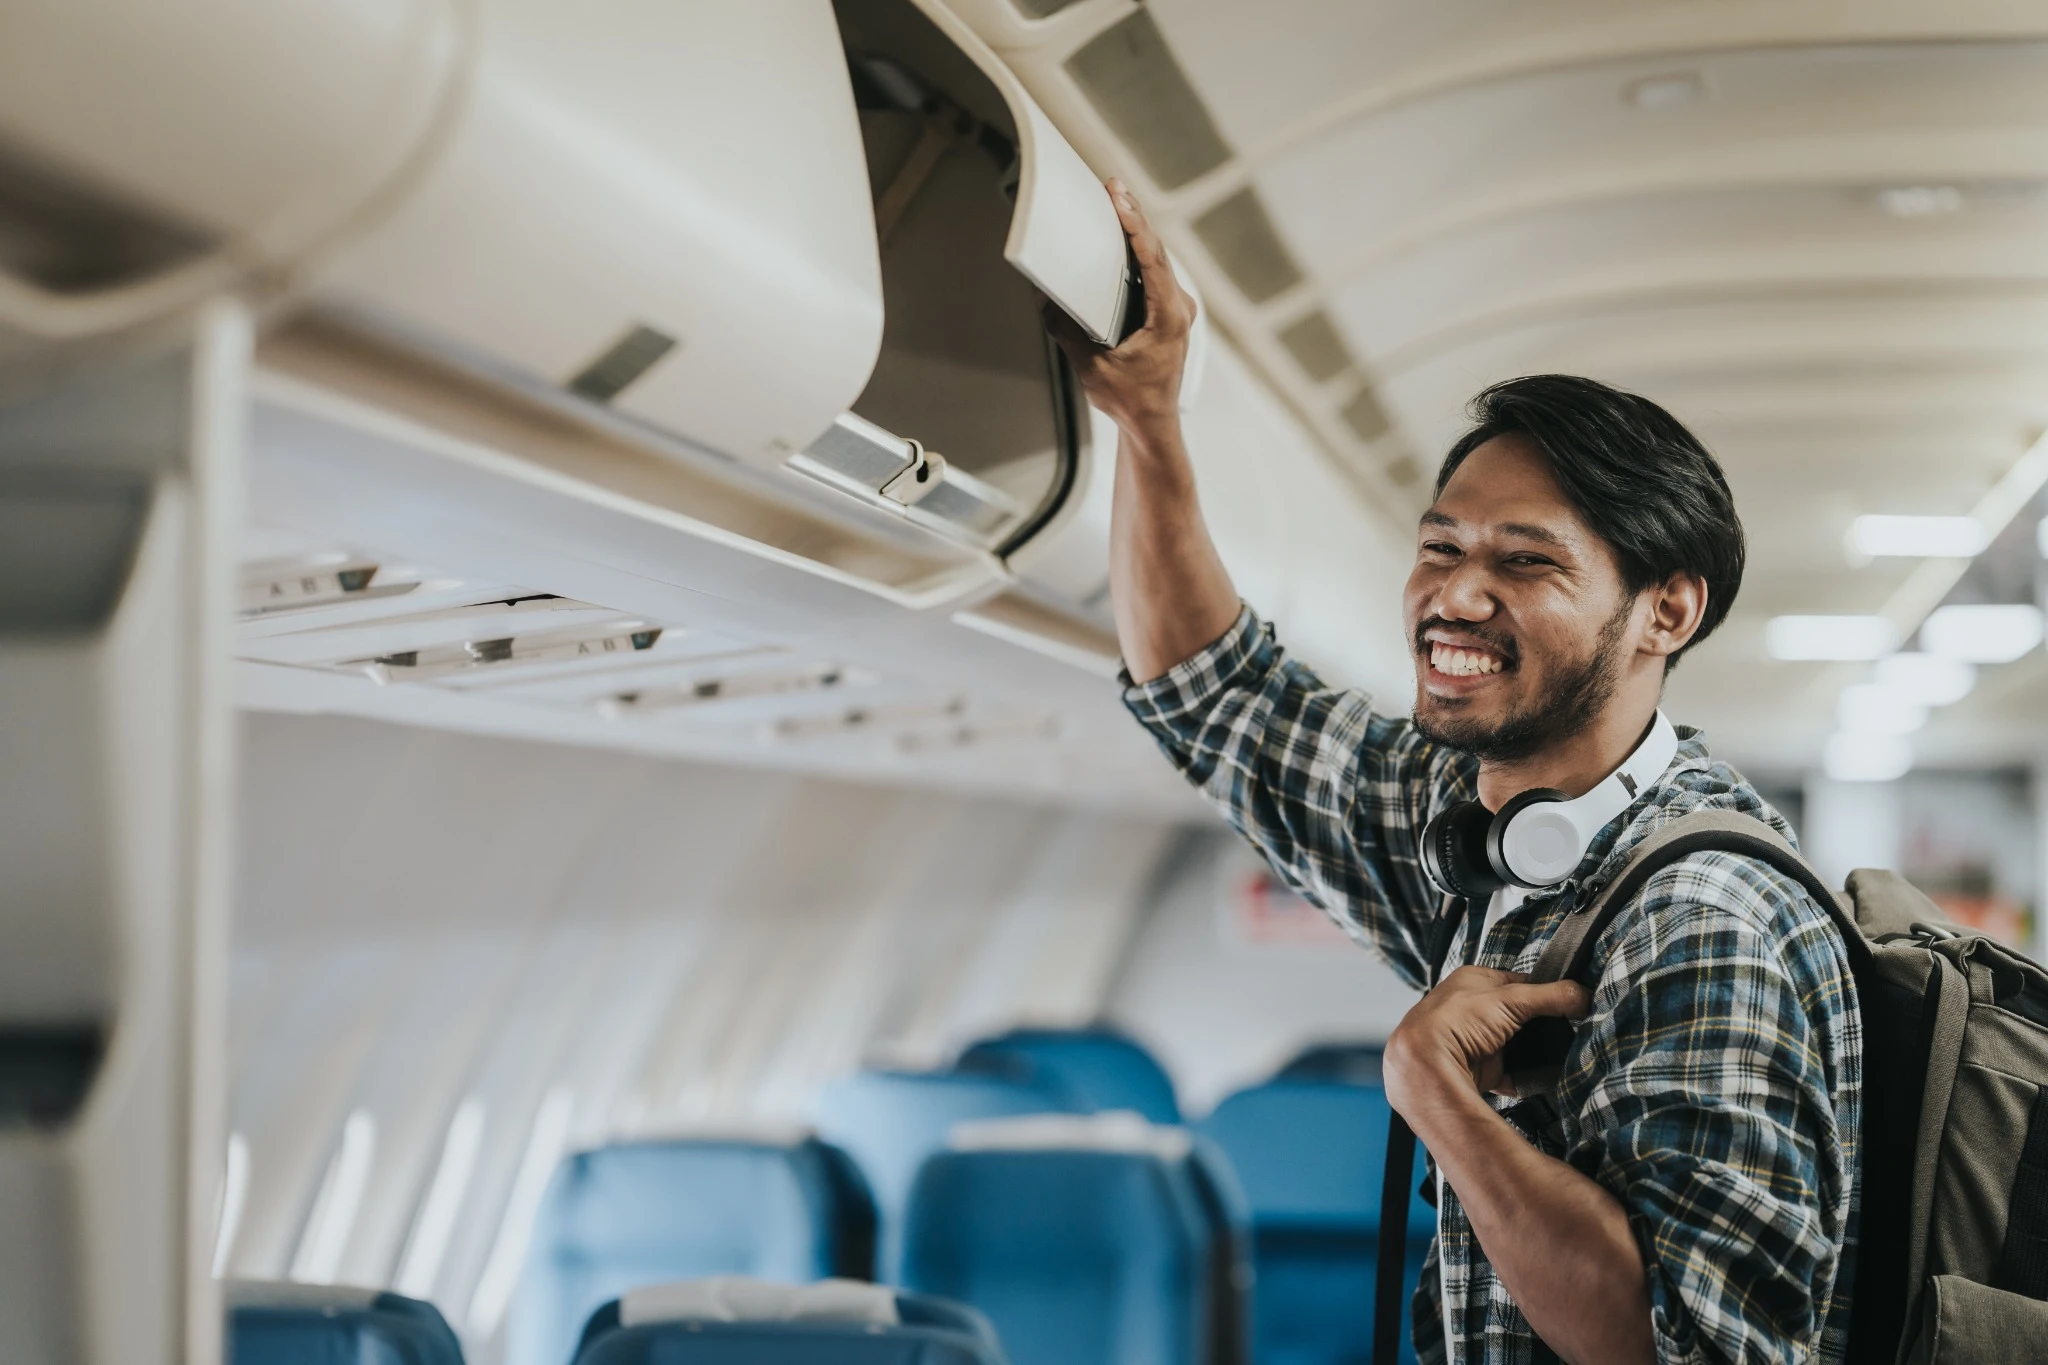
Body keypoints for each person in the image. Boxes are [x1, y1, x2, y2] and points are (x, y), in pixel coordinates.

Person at [1046, 181, 1861, 1365]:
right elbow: (1212, 693)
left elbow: (1689, 1347)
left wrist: (1435, 1099)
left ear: (1663, 611)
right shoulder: (1467, 824)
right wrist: (1150, 421)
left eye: (1523, 563)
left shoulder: (1701, 923)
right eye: (1439, 548)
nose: (1454, 597)